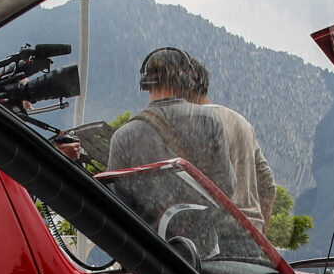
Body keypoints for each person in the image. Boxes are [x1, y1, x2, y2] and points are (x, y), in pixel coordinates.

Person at [104, 47, 252, 220]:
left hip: (147, 241)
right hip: (200, 240)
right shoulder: (208, 119)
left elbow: (116, 201)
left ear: (146, 82)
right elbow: (226, 187)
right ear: (186, 80)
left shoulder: (124, 136)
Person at [183, 59, 277, 234]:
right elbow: (268, 185)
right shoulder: (240, 122)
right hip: (248, 237)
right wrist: (260, 233)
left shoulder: (190, 124)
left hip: (213, 237)